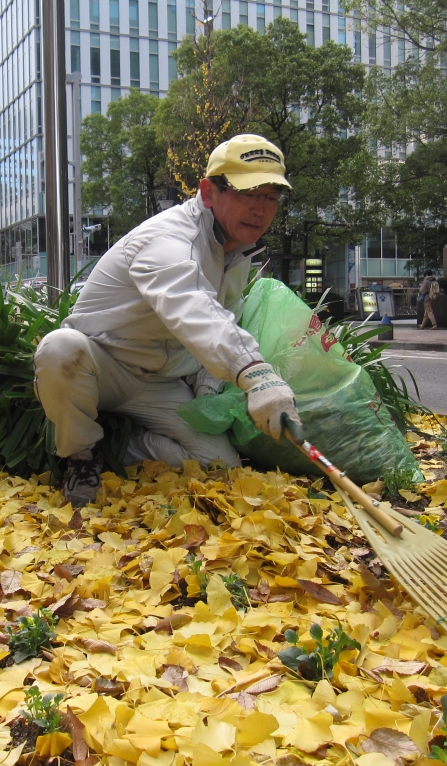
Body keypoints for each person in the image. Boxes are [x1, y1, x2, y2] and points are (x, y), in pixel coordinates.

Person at [34, 134, 303, 505]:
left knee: (218, 466)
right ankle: (80, 455)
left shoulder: (237, 252)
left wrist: (207, 392)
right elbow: (192, 307)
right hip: (103, 366)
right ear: (208, 193)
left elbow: (225, 318)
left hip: (160, 383)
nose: (260, 209)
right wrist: (256, 372)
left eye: (271, 197)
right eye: (247, 193)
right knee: (59, 350)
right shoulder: (165, 239)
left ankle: (118, 443)